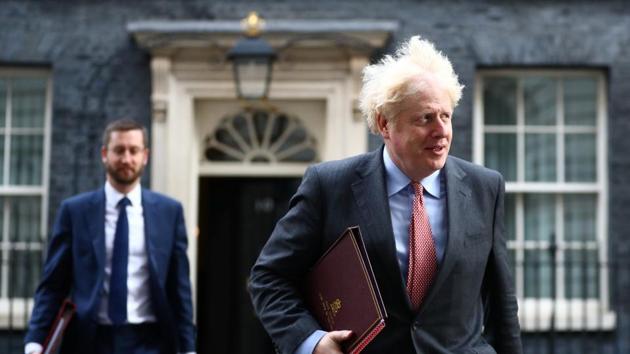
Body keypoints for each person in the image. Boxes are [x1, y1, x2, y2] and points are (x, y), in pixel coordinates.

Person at [249, 36, 523, 354]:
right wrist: (313, 342)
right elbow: (269, 278)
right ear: (384, 124)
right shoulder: (329, 185)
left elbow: (502, 304)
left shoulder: (485, 188)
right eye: (425, 118)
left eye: (446, 116)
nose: (441, 131)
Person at [24, 119, 196, 354]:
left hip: (150, 342)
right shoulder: (74, 211)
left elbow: (180, 289)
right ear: (105, 154)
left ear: (145, 155)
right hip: (90, 340)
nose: (126, 159)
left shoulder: (169, 212)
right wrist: (35, 339)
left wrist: (188, 347)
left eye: (133, 151)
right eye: (119, 150)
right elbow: (53, 285)